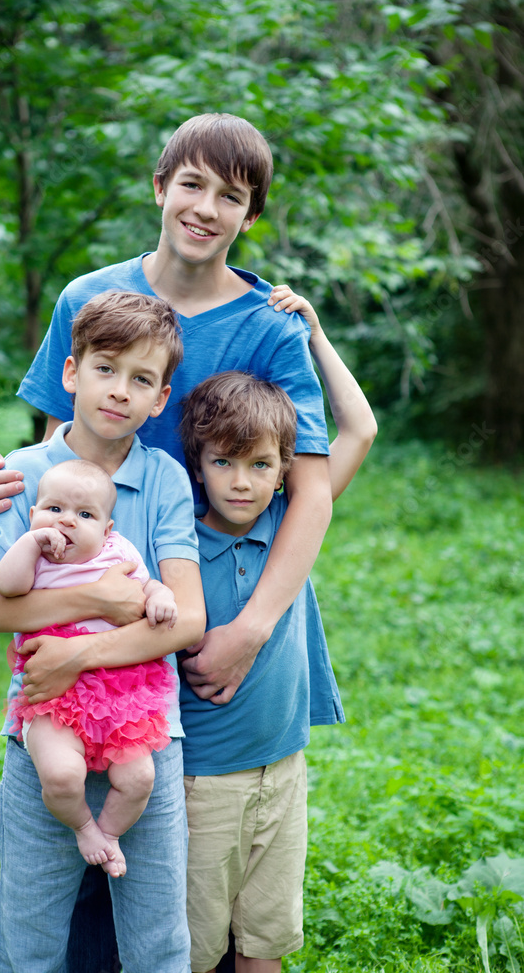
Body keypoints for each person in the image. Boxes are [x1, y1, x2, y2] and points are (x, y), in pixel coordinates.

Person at [0, 113, 334, 972]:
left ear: (251, 216)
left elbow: (311, 488)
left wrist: (251, 628)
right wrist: (3, 496)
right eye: (192, 184)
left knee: (186, 850)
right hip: (81, 605)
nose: (205, 208)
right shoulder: (86, 297)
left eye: (231, 196)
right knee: (68, 886)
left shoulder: (269, 323)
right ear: (158, 185)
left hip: (208, 609)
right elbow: (62, 448)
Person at [0, 291, 206, 973]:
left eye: (142, 379)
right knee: (31, 938)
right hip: (39, 736)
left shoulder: (166, 480)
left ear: (161, 399)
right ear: (69, 373)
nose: (119, 391)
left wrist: (76, 654)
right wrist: (97, 596)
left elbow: (185, 619)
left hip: (148, 736)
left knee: (158, 941)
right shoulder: (22, 475)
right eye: (105, 368)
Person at [178, 305, 376, 973]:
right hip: (199, 783)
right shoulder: (174, 544)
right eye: (224, 462)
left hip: (284, 766)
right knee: (196, 950)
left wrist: (316, 337)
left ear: (285, 467)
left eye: (261, 465)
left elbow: (361, 427)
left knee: (265, 944)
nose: (242, 481)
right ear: (197, 464)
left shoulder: (292, 522)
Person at [0, 458, 179, 879]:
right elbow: (7, 587)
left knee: (138, 778)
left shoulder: (119, 552)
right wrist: (30, 542)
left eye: (85, 514)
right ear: (33, 515)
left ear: (107, 530)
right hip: (54, 696)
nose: (67, 523)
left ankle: (108, 834)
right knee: (61, 775)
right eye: (54, 509)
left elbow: (146, 584)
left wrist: (160, 594)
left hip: (120, 694)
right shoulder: (36, 560)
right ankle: (83, 827)